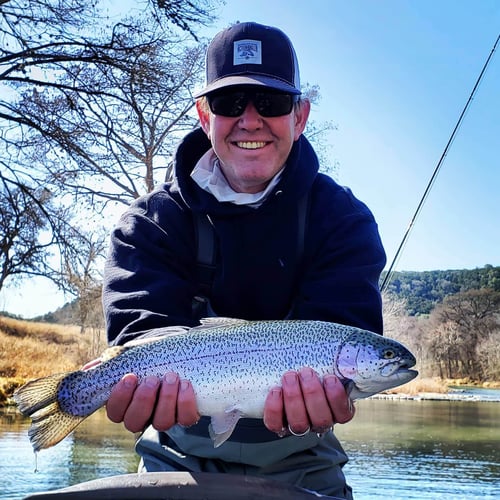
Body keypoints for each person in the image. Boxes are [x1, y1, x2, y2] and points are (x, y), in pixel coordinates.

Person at [101, 21, 386, 499]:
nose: (250, 121)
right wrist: (136, 384)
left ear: (300, 117)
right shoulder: (148, 223)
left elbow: (344, 318)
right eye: (229, 103)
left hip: (305, 459)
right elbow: (140, 330)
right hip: (173, 456)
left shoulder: (343, 219)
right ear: (203, 115)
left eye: (271, 104)